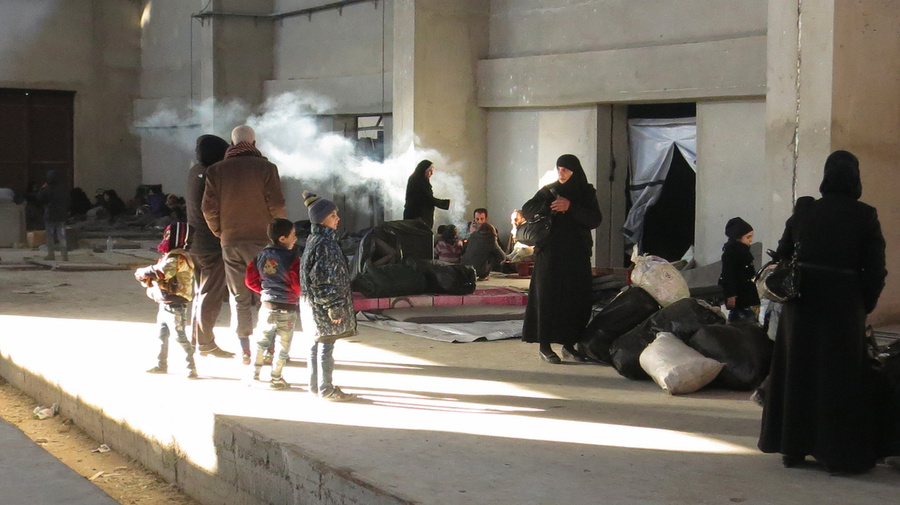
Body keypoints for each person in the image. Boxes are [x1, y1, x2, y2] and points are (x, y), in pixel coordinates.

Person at [758, 150, 889, 475]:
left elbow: (783, 252)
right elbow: (875, 269)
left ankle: (793, 448)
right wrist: (864, 304)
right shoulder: (864, 215)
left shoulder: (805, 211)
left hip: (800, 306)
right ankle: (835, 453)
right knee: (838, 377)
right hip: (843, 307)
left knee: (798, 372)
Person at [202, 125, 287, 365]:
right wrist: (276, 233)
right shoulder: (266, 168)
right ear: (255, 142)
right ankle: (268, 349)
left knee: (238, 296)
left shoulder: (215, 171)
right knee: (267, 294)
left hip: (230, 241)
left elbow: (208, 209)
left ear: (232, 143)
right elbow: (277, 204)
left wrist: (221, 233)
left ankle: (245, 350)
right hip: (263, 241)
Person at [521, 154, 602, 364]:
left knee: (575, 299)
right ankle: (545, 346)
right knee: (547, 297)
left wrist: (571, 207)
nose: (561, 174)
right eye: (559, 169)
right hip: (551, 254)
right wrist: (549, 207)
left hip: (577, 254)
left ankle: (569, 345)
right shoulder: (549, 191)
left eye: (565, 170)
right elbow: (527, 209)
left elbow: (595, 219)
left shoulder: (586, 192)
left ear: (575, 171)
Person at [300, 191, 357, 401]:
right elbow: (323, 279)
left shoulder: (314, 240)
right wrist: (334, 306)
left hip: (313, 306)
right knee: (326, 346)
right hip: (324, 307)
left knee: (316, 345)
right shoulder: (326, 245)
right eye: (333, 215)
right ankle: (326, 388)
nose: (338, 218)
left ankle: (315, 386)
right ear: (321, 218)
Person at [184, 134, 234, 359]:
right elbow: (212, 209)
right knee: (209, 295)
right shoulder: (211, 174)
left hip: (194, 241)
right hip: (210, 244)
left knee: (198, 293)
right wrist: (221, 233)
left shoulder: (195, 171)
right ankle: (205, 343)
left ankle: (197, 339)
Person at [134, 223, 198, 379]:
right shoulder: (172, 256)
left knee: (179, 336)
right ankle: (160, 364)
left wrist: (143, 272)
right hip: (165, 304)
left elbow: (163, 272)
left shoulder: (178, 257)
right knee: (161, 336)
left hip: (176, 305)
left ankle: (191, 367)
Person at [245, 218, 300, 389]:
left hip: (267, 307)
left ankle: (254, 375)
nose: (296, 238)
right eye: (293, 235)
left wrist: (264, 291)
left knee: (261, 342)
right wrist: (297, 296)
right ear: (282, 239)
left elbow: (249, 280)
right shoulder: (292, 258)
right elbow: (297, 283)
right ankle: (276, 379)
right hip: (287, 309)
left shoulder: (260, 256)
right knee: (282, 347)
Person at [718, 217, 760, 324]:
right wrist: (731, 295)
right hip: (740, 294)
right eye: (748, 237)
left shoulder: (743, 250)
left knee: (743, 317)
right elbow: (728, 275)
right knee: (742, 319)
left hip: (744, 293)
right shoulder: (731, 253)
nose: (751, 240)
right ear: (738, 238)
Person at [403, 159, 449, 229]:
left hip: (420, 218)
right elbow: (427, 198)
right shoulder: (417, 181)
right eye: (430, 171)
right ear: (423, 170)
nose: (432, 173)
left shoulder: (419, 180)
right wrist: (445, 203)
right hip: (417, 218)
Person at [37, 170, 70, 262]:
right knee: (61, 236)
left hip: (50, 215)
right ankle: (64, 256)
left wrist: (42, 188)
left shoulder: (47, 190)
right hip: (61, 215)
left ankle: (51, 255)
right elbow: (68, 200)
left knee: (50, 236)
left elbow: (40, 199)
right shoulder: (63, 190)